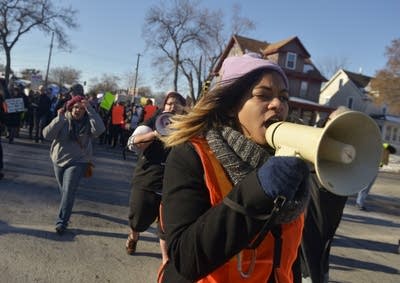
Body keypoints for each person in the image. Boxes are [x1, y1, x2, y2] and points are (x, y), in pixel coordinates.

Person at [159, 53, 310, 282]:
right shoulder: (191, 155)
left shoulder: (288, 165)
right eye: (263, 95)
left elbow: (289, 257)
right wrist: (257, 191)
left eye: (284, 97)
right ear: (231, 106)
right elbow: (184, 258)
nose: (278, 104)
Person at [125, 91, 187, 266]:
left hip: (174, 182)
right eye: (168, 104)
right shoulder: (154, 122)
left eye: (176, 104)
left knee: (166, 224)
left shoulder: (188, 126)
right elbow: (133, 143)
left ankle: (166, 260)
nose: (172, 107)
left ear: (183, 108)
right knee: (138, 218)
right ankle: (133, 235)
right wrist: (153, 135)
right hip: (148, 179)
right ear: (163, 107)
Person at [300, 106, 350, 283]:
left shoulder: (348, 147)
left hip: (331, 204)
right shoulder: (312, 140)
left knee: (322, 242)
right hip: (310, 207)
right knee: (308, 246)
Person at [43, 96, 105, 235]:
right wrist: (58, 119)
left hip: (79, 161)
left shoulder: (89, 122)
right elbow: (47, 135)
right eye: (76, 107)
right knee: (64, 190)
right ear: (71, 107)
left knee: (69, 189)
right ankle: (67, 204)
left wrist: (91, 110)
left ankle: (62, 222)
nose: (78, 110)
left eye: (82, 108)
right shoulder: (63, 118)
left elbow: (100, 130)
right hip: (59, 159)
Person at [355, 142, 396, 211]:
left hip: (374, 167)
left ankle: (359, 202)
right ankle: (359, 203)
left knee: (367, 187)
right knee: (366, 187)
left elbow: (393, 150)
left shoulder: (382, 145)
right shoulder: (377, 145)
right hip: (370, 168)